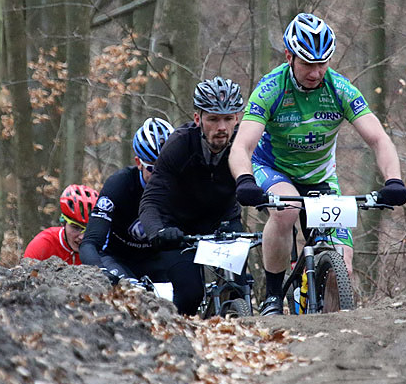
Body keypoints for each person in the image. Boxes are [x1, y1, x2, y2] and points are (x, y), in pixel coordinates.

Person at [228, 13, 406, 316]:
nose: (316, 72)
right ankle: (273, 296)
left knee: (343, 270)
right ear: (289, 56)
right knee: (287, 212)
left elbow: (378, 139)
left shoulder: (340, 89)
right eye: (308, 63)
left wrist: (394, 180)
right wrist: (245, 179)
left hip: (320, 177)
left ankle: (332, 341)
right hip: (274, 168)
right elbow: (241, 146)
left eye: (322, 63)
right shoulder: (271, 88)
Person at [137, 79, 246, 315]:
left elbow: (260, 181)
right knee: (190, 293)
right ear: (198, 119)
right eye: (213, 119)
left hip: (223, 220)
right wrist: (158, 232)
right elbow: (150, 201)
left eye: (228, 118)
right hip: (178, 227)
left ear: (237, 118)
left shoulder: (243, 143)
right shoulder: (179, 144)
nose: (222, 128)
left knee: (240, 287)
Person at [78, 117, 176, 289]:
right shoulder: (119, 184)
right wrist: (100, 272)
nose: (161, 176)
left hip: (157, 262)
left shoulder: (183, 185)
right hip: (118, 259)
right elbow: (90, 242)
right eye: (153, 169)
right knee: (130, 293)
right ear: (139, 163)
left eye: (167, 167)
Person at [24, 184, 99, 264]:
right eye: (76, 227)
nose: (82, 236)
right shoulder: (43, 245)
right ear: (63, 223)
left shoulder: (102, 246)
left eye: (88, 230)